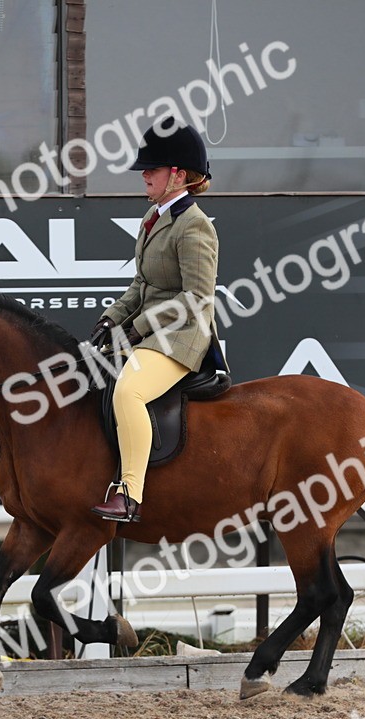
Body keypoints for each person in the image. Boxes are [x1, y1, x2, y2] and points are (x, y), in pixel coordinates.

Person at [89, 119, 226, 523]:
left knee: (128, 393)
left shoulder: (194, 225)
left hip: (182, 337)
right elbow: (142, 283)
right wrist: (111, 318)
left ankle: (129, 494)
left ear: (178, 175)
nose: (144, 175)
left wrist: (139, 327)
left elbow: (197, 296)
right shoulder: (153, 219)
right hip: (151, 333)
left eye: (153, 169)